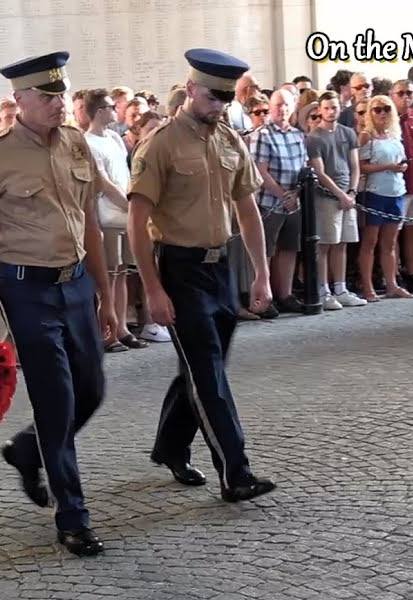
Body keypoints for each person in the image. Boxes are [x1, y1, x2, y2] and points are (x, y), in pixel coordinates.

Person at [0, 51, 119, 557]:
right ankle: (72, 514)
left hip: (75, 285)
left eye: (62, 94)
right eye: (47, 96)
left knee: (92, 388)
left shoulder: (74, 143)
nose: (58, 104)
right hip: (25, 289)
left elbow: (88, 220)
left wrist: (106, 297)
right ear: (19, 100)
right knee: (56, 396)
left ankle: (28, 448)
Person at [126, 49, 277, 502]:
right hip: (179, 268)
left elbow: (247, 210)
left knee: (201, 368)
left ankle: (171, 447)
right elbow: (137, 221)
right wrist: (152, 288)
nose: (220, 106)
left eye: (227, 99)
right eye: (213, 97)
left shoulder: (229, 140)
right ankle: (236, 471)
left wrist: (261, 275)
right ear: (191, 89)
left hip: (220, 268)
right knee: (208, 373)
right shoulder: (160, 144)